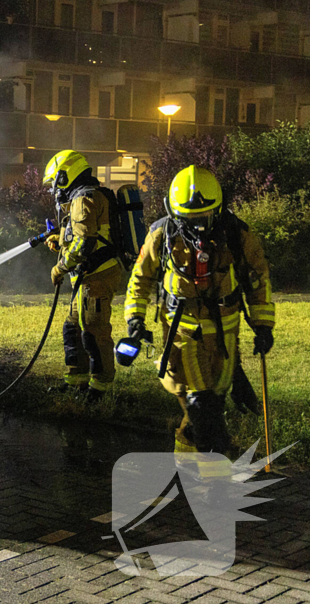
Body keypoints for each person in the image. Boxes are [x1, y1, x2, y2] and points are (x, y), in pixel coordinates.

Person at [123, 166, 274, 465]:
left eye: (203, 218)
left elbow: (258, 281)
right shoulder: (161, 235)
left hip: (224, 339)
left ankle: (186, 466)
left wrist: (263, 326)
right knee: (202, 407)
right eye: (189, 220)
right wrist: (134, 319)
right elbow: (139, 280)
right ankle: (216, 486)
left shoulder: (237, 235)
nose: (197, 227)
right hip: (182, 337)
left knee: (208, 406)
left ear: (217, 209)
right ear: (174, 212)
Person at [43, 150, 124, 404]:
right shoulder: (85, 195)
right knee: (72, 328)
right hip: (89, 278)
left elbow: (84, 244)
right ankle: (75, 382)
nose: (55, 188)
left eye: (56, 181)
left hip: (97, 277)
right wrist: (60, 239)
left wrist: (60, 268)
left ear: (66, 175)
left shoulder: (84, 198)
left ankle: (100, 390)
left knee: (93, 331)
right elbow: (80, 234)